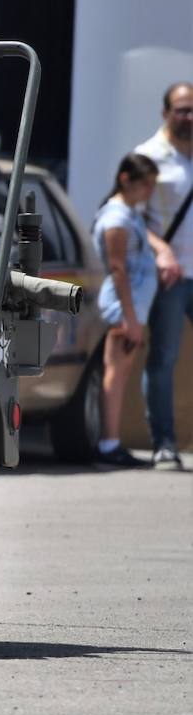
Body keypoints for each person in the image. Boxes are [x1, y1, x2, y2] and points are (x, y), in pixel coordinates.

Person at [90, 154, 162, 467]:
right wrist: (130, 319)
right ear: (125, 179)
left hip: (130, 307)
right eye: (145, 184)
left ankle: (110, 442)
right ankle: (109, 444)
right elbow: (118, 269)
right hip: (124, 307)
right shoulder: (116, 218)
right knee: (115, 375)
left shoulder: (129, 214)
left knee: (119, 374)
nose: (149, 191)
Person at [138, 81, 193, 470]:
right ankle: (164, 443)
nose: (189, 117)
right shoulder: (147, 156)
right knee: (164, 358)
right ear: (165, 113)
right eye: (182, 109)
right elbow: (128, 216)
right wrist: (161, 249)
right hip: (172, 276)